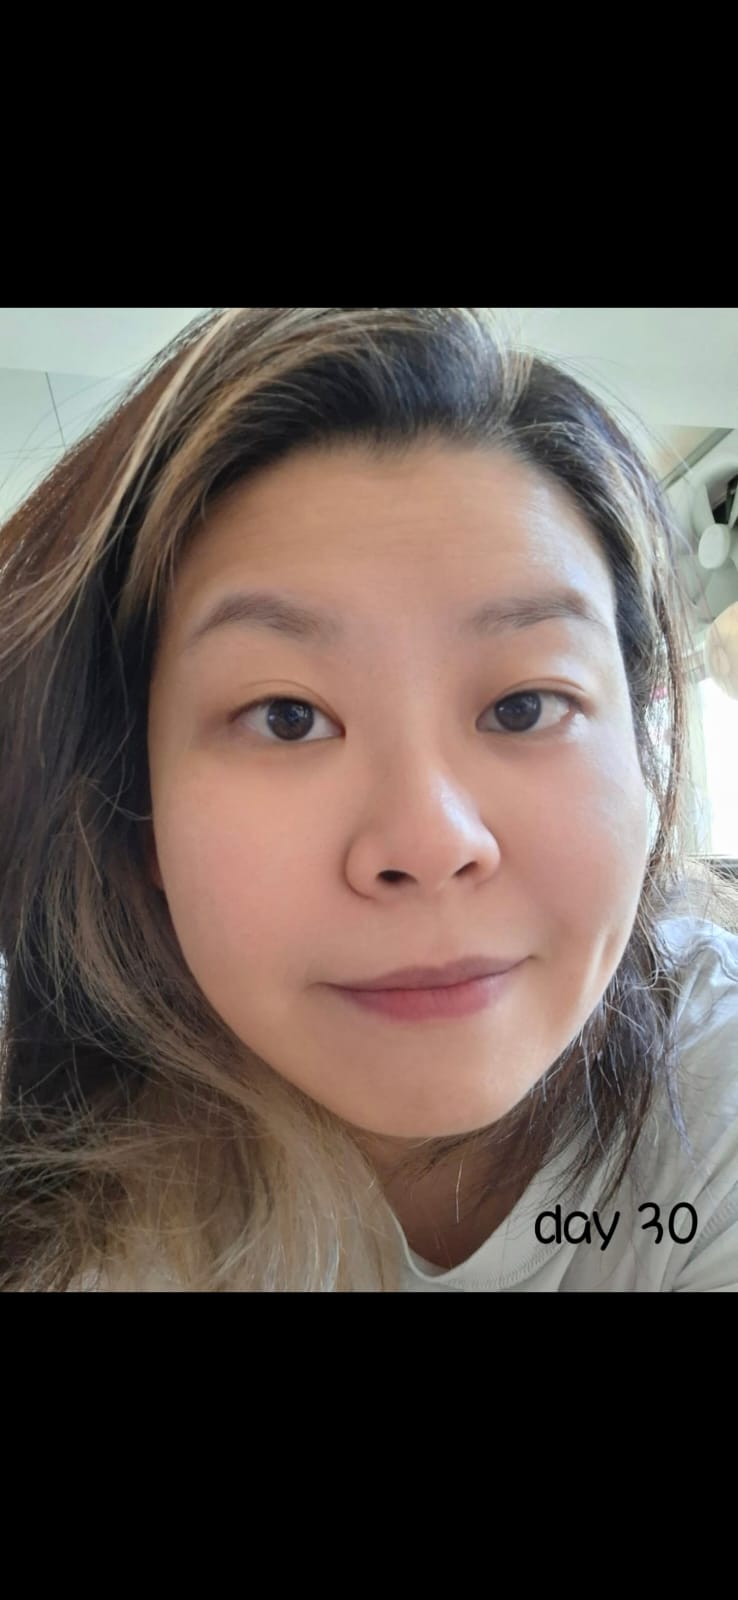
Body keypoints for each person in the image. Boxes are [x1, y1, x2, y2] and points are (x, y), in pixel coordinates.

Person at [1, 306, 737, 1294]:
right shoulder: (64, 1216)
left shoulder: (714, 1091)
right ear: (137, 816)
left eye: (524, 706)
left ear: (643, 767)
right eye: (287, 717)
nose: (430, 842)